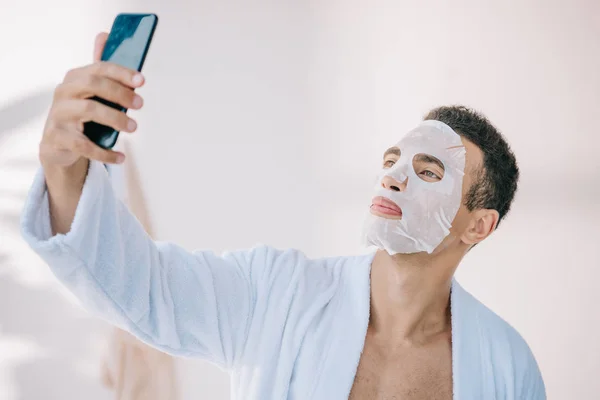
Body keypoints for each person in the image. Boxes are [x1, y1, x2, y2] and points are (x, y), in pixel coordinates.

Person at [21, 32, 545, 399]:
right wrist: (64, 169)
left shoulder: (506, 364)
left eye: (429, 172)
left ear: (480, 225)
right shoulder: (276, 293)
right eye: (391, 161)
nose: (392, 178)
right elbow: (144, 288)